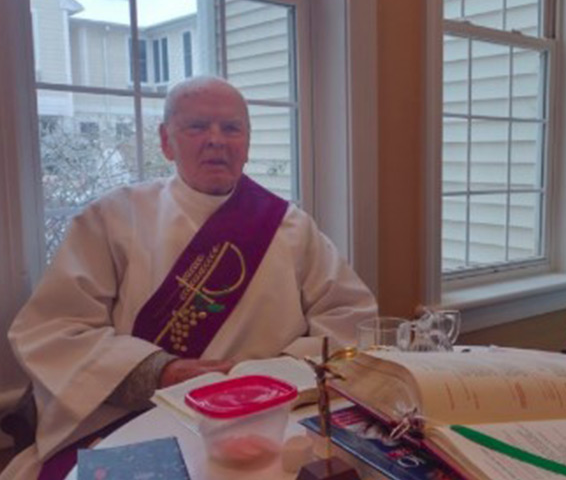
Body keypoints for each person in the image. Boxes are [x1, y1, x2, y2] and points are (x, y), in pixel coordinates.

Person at [1, 76, 377, 480]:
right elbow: (54, 329)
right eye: (197, 127)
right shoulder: (111, 219)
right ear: (166, 141)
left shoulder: (292, 227)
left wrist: (272, 377)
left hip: (266, 420)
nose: (216, 140)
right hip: (130, 421)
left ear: (246, 144)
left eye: (231, 128)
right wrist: (158, 372)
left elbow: (349, 318)